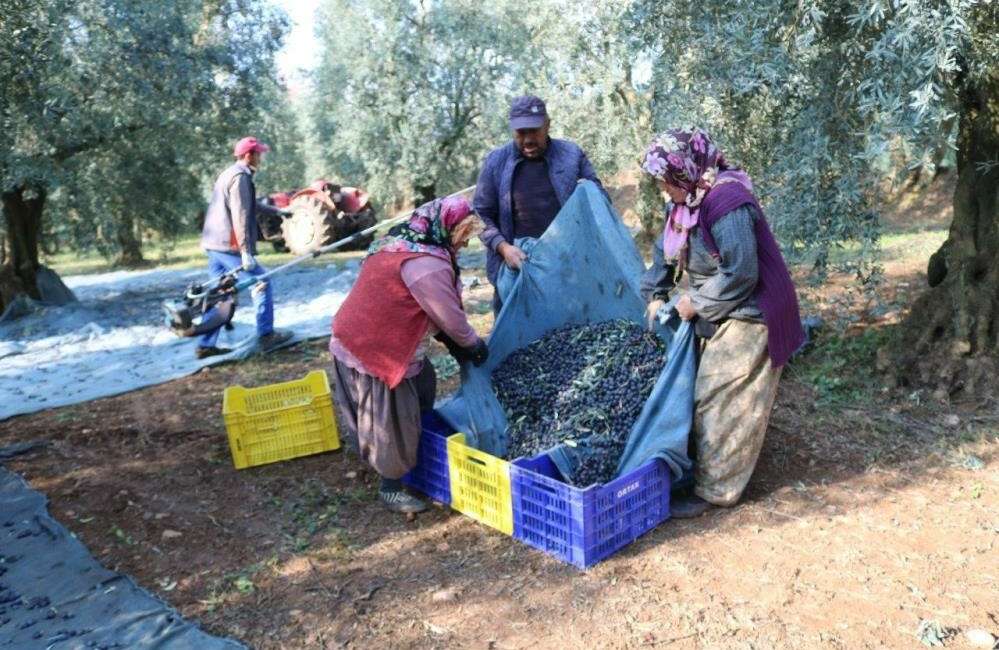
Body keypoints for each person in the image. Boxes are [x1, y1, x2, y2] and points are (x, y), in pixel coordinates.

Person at [639, 128, 804, 518]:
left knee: (718, 393)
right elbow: (662, 260)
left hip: (754, 308)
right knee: (695, 387)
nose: (663, 188)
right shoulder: (681, 203)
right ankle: (704, 464)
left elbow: (742, 272)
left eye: (664, 179)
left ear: (684, 170)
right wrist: (656, 295)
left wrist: (695, 303)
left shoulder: (725, 200)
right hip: (722, 304)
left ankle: (716, 490)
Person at [329, 196, 488, 514]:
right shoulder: (426, 264)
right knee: (393, 418)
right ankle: (391, 486)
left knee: (425, 383)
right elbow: (450, 318)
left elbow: (427, 311)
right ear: (446, 227)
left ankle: (414, 445)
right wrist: (472, 346)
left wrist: (457, 345)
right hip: (378, 348)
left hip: (356, 333)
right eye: (463, 234)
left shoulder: (403, 242)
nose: (465, 242)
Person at [474, 95, 607, 312]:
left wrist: (588, 191)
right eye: (520, 132)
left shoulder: (572, 155)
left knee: (571, 331)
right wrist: (503, 247)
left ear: (548, 125)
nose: (527, 140)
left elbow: (600, 198)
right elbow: (479, 215)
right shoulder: (496, 162)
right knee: (520, 338)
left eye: (534, 131)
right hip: (517, 267)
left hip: (568, 266)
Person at [198, 136, 292, 358]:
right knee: (260, 281)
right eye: (259, 154)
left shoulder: (229, 173)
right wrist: (245, 251)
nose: (261, 158)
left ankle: (205, 345)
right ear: (250, 155)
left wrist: (278, 212)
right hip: (229, 245)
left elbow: (250, 204)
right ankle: (266, 334)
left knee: (219, 294)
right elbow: (240, 215)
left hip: (214, 244)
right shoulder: (240, 177)